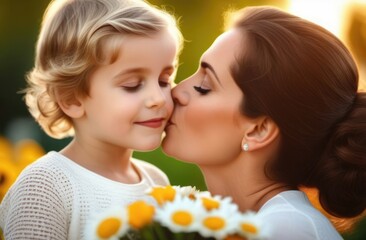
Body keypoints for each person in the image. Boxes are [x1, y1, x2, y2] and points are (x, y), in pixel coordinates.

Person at [162, 6, 366, 240]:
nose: (176, 91)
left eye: (203, 87)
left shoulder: (284, 229)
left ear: (259, 131)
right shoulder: (267, 223)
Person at [0, 0, 183, 239]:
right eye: (132, 85)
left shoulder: (157, 182)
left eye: (163, 81)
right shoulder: (44, 186)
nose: (158, 99)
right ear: (72, 99)